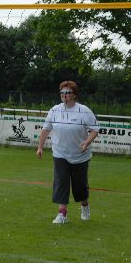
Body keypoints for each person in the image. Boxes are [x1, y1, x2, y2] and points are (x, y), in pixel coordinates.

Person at [36, 81, 99, 224]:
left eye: (68, 92)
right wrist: (40, 147)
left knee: (80, 186)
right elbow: (46, 129)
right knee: (61, 182)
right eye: (62, 93)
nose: (65, 95)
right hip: (60, 154)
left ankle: (84, 206)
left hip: (80, 155)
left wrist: (87, 142)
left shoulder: (84, 111)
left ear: (75, 95)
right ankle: (62, 214)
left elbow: (95, 130)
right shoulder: (54, 110)